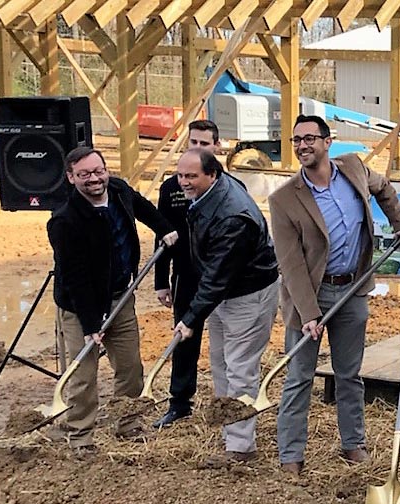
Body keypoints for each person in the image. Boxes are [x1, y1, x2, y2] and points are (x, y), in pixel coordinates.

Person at [268, 115, 400, 476]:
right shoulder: (284, 199)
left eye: (310, 138)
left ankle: (352, 444)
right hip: (311, 295)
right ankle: (291, 455)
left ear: (328, 142)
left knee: (349, 374)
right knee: (300, 376)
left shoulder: (353, 169)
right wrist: (310, 314)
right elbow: (291, 263)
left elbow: (384, 189)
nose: (302, 145)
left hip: (353, 291)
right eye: (296, 139)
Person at [45, 146, 177, 450]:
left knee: (131, 368)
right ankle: (80, 435)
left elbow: (143, 207)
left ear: (107, 170)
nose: (94, 179)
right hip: (80, 308)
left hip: (121, 297)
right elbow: (75, 277)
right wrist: (92, 324)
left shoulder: (118, 190)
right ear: (71, 177)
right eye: (85, 174)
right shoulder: (64, 221)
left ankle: (127, 423)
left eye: (98, 171)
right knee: (83, 374)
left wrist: (164, 229)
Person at [172, 148, 279, 468]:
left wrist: (190, 318)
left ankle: (242, 447)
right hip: (224, 294)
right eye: (180, 175)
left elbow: (218, 275)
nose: (184, 182)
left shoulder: (233, 216)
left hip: (248, 295)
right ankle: (230, 429)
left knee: (240, 368)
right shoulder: (210, 195)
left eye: (191, 176)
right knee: (220, 361)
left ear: (212, 174)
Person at [153, 119, 223, 429]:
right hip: (185, 275)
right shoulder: (171, 188)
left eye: (204, 144)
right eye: (193, 142)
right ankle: (180, 403)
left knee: (226, 340)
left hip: (222, 277)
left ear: (216, 148)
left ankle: (227, 401)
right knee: (184, 338)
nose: (197, 148)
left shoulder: (229, 186)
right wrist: (160, 281)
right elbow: (162, 234)